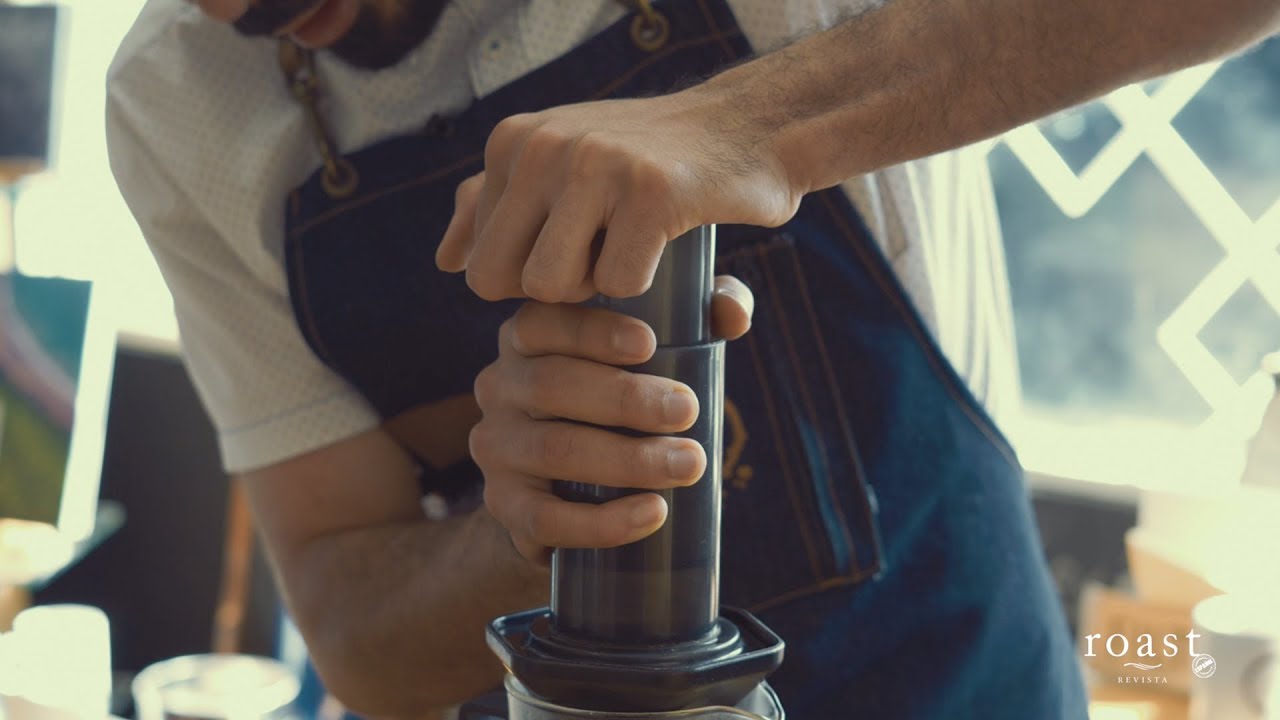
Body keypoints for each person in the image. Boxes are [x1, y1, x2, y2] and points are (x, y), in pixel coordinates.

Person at [105, 0, 1279, 717]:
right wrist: (518, 540)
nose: (222, 8)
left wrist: (754, 124)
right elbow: (356, 642)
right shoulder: (176, 98)